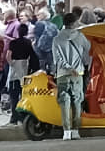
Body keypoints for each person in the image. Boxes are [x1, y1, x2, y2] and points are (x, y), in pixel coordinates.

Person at [52, 11, 91, 141]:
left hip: (62, 74)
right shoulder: (80, 37)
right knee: (77, 102)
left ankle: (66, 131)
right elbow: (87, 52)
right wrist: (81, 66)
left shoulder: (57, 38)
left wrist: (68, 67)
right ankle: (75, 130)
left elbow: (56, 59)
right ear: (74, 23)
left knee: (64, 103)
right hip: (78, 73)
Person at [6, 23, 33, 125]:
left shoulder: (13, 42)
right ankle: (23, 117)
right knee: (24, 96)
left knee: (14, 96)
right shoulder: (28, 42)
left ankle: (14, 118)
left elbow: (8, 55)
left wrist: (11, 63)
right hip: (24, 69)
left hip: (14, 70)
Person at [33, 8, 58, 74]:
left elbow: (36, 37)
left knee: (42, 67)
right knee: (51, 66)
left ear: (43, 15)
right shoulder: (53, 25)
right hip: (51, 48)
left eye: (38, 15)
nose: (36, 16)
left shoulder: (39, 24)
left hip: (41, 49)